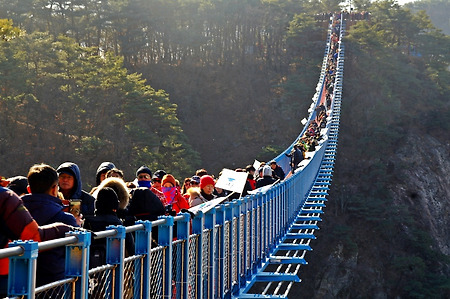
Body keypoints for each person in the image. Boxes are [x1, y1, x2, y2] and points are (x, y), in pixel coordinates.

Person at [0, 187, 74, 297]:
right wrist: (64, 229)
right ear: (54, 189)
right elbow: (33, 236)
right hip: (4, 275)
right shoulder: (5, 197)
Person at [22, 164, 79, 287]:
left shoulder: (15, 215)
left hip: (20, 284)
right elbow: (77, 257)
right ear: (54, 189)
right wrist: (77, 226)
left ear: (29, 189)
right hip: (56, 285)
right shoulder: (65, 219)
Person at [83, 187, 134, 269]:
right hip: (115, 269)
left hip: (91, 269)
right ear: (116, 205)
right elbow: (131, 248)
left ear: (96, 204)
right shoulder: (119, 225)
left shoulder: (88, 222)